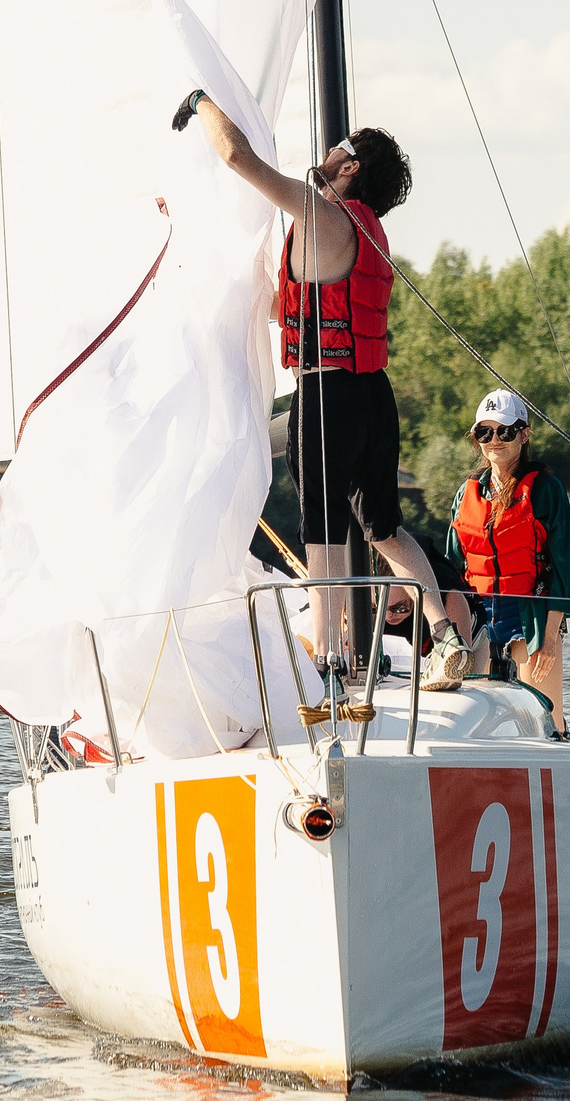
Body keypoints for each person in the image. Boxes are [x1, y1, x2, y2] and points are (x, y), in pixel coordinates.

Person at [174, 89, 475, 691]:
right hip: (373, 394)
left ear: (350, 166)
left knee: (324, 533)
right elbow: (302, 308)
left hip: (326, 395)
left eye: (337, 147)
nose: (327, 152)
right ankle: (443, 636)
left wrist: (202, 101)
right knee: (383, 528)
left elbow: (238, 158)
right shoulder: (370, 235)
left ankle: (330, 662)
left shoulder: (320, 213)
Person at [445, 389, 570, 716]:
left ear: (524, 434)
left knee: (543, 716)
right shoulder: (467, 493)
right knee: (473, 714)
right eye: (485, 432)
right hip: (477, 616)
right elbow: (449, 570)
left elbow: (563, 570)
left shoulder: (547, 491)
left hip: (529, 616)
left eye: (505, 431)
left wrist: (547, 640)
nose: (495, 440)